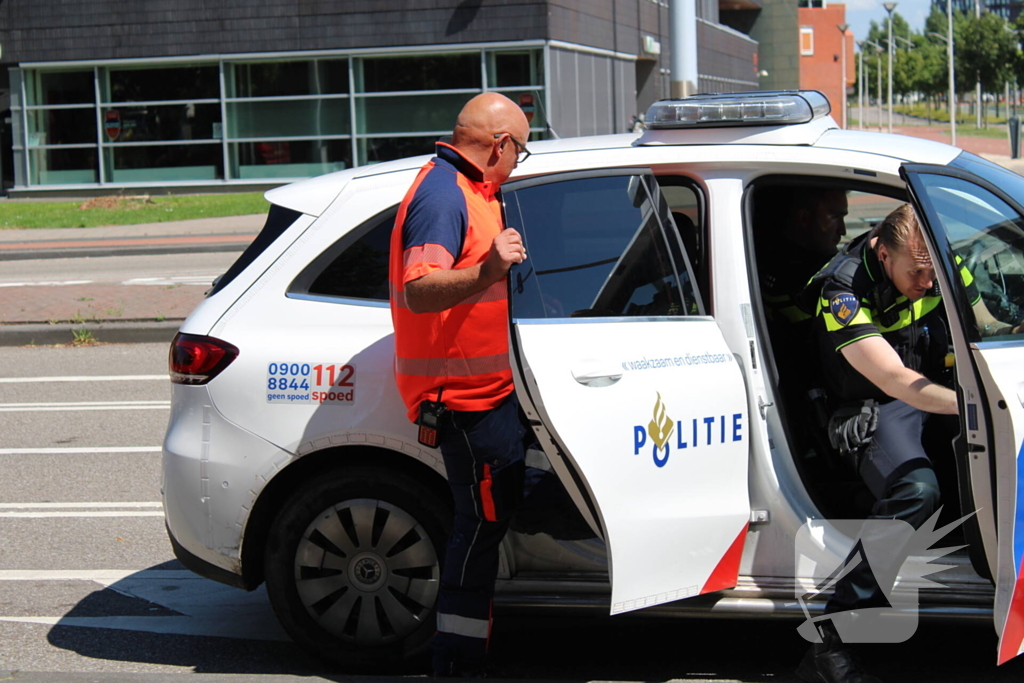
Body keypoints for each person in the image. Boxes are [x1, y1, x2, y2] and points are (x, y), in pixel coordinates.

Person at [797, 203, 1019, 683]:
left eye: (933, 271)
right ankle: (830, 637)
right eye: (916, 274)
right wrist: (979, 405)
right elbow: (895, 380)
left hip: (938, 395)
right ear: (882, 253)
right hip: (881, 403)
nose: (928, 283)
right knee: (917, 491)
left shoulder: (938, 258)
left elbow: (989, 327)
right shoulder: (844, 289)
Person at [387, 92, 532, 677]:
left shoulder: (476, 191)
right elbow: (420, 288)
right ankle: (456, 661)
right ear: (499, 144)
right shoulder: (444, 195)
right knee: (479, 529)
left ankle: (467, 647)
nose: (519, 163)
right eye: (520, 151)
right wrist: (488, 269)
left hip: (487, 394)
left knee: (487, 522)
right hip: (464, 403)